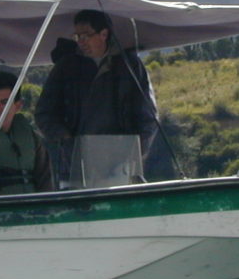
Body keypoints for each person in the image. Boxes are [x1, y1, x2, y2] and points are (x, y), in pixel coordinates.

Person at [35, 9, 158, 181]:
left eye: (86, 36)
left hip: (122, 166)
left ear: (104, 34)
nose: (81, 42)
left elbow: (148, 117)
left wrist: (134, 155)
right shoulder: (66, 66)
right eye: (77, 37)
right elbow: (44, 114)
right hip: (76, 167)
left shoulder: (130, 66)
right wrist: (66, 139)